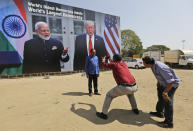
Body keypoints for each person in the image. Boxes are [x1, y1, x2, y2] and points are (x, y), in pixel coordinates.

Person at [96, 54, 139, 120]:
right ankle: (135, 109)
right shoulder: (124, 64)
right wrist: (111, 60)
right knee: (130, 94)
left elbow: (104, 64)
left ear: (115, 60)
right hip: (135, 86)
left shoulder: (114, 65)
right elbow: (116, 64)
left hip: (125, 87)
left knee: (109, 95)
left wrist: (103, 60)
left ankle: (104, 114)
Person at [142, 56, 180, 128]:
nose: (143, 64)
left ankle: (169, 123)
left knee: (167, 102)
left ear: (148, 63)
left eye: (144, 63)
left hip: (171, 85)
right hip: (162, 84)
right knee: (160, 98)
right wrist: (159, 82)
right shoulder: (152, 66)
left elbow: (171, 81)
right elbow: (160, 75)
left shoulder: (161, 67)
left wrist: (165, 92)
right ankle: (159, 113)